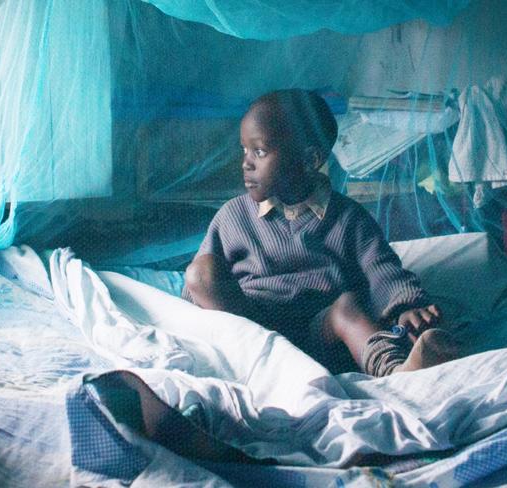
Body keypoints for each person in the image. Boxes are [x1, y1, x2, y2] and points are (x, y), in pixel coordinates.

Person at [182, 89, 456, 376]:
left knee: (347, 308)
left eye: (259, 151)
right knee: (200, 272)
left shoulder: (349, 219)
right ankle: (251, 366)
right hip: (251, 330)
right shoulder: (233, 216)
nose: (246, 163)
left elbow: (383, 272)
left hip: (318, 334)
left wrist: (409, 306)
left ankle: (395, 371)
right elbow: (198, 291)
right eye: (244, 150)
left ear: (310, 160)